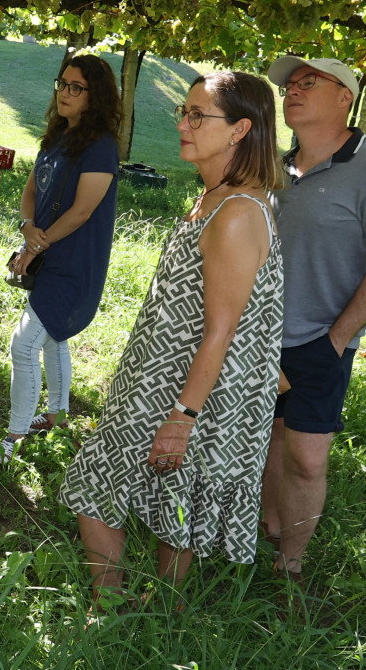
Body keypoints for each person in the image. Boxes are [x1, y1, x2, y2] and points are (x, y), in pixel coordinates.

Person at [58, 71, 284, 610]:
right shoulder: (216, 198)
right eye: (182, 112)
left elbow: (223, 329)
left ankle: (114, 607)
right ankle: (159, 612)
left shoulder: (236, 213)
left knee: (97, 481)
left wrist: (183, 417)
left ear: (240, 131)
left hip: (190, 388)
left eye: (197, 115)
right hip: (164, 376)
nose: (183, 124)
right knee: (173, 495)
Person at [260, 56, 366, 586]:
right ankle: (265, 533)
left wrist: (338, 339)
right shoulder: (275, 168)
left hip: (322, 341)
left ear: (345, 97)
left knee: (306, 457)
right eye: (289, 86)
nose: (292, 92)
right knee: (264, 441)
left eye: (308, 83)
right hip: (255, 339)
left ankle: (290, 569)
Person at [0, 56, 121, 465]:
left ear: (94, 96)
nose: (64, 93)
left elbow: (83, 211)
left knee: (25, 343)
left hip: (74, 263)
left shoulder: (102, 147)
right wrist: (28, 225)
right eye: (62, 84)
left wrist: (34, 246)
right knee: (54, 338)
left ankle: (14, 435)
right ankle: (56, 415)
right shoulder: (56, 137)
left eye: (76, 88)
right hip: (49, 253)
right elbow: (31, 190)